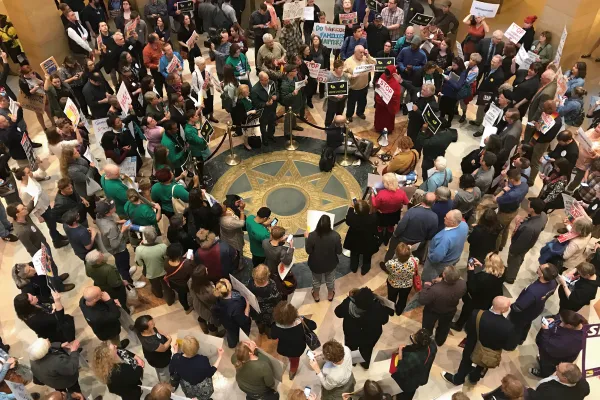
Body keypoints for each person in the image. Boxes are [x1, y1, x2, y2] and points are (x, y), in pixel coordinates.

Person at [442, 296, 518, 385]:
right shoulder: (508, 327)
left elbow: (467, 329)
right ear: (504, 310)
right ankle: (474, 378)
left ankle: (458, 379)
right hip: (489, 352)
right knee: (482, 365)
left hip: (472, 345)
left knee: (466, 361)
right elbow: (510, 346)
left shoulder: (476, 314)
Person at [6, 203, 67, 292]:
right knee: (50, 270)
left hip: (43, 245)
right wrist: (44, 257)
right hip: (40, 252)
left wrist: (33, 199)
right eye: (23, 209)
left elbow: (29, 207)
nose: (25, 209)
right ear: (17, 214)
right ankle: (59, 287)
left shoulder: (24, 216)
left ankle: (57, 279)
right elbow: (30, 248)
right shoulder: (21, 231)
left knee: (53, 267)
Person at [13, 167, 69, 248]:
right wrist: (38, 216)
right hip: (42, 210)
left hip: (45, 204)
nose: (31, 173)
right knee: (52, 225)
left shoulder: (30, 179)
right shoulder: (24, 192)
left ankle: (58, 236)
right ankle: (56, 241)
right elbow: (29, 206)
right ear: (23, 177)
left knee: (52, 222)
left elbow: (41, 174)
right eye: (28, 172)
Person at [335, 287, 389, 368]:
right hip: (371, 334)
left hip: (352, 333)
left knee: (352, 348)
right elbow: (385, 320)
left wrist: (349, 298)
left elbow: (338, 313)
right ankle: (365, 364)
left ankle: (354, 362)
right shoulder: (378, 306)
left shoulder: (348, 304)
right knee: (367, 349)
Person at [452, 253, 505, 331]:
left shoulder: (482, 277)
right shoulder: (502, 275)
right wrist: (482, 266)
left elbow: (471, 287)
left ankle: (458, 325)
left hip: (474, 300)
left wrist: (470, 272)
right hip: (488, 301)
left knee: (466, 311)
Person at [383, 192, 438, 265]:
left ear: (422, 199)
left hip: (402, 239)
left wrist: (395, 235)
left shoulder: (412, 211)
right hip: (417, 242)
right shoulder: (434, 217)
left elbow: (401, 225)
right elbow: (431, 234)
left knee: (392, 251)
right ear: (433, 203)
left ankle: (387, 265)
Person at [509, 263, 559, 344]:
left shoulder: (533, 291)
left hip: (523, 313)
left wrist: (511, 306)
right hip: (536, 309)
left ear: (542, 274)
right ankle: (522, 339)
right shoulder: (553, 283)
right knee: (527, 324)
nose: (538, 267)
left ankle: (513, 341)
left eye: (540, 267)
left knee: (517, 326)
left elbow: (518, 307)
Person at [419, 266, 466, 346]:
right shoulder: (462, 284)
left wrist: (426, 287)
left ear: (444, 275)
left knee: (427, 326)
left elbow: (422, 300)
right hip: (450, 310)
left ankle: (425, 340)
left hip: (432, 311)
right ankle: (440, 341)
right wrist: (441, 281)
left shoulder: (435, 289)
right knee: (444, 327)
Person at [270, 302, 316, 380]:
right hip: (297, 349)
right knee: (294, 361)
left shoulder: (276, 327)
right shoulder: (301, 322)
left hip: (283, 348)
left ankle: (292, 368)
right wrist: (302, 319)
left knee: (290, 358)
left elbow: (273, 336)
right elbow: (314, 325)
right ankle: (292, 372)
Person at [533, 310, 585, 378]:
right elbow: (562, 317)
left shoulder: (570, 342)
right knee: (544, 361)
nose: (560, 323)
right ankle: (542, 361)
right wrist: (554, 319)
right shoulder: (577, 319)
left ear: (569, 326)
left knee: (548, 367)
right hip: (551, 351)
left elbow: (547, 347)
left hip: (554, 357)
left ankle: (543, 374)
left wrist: (545, 331)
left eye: (561, 322)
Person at [422, 210, 468, 283]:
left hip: (438, 265)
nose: (444, 218)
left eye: (446, 218)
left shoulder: (445, 239)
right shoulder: (464, 225)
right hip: (453, 258)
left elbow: (436, 258)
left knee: (428, 280)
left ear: (453, 223)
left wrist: (430, 256)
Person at [391, 328, 438, 400]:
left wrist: (400, 352)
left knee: (404, 394)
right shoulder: (432, 346)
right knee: (411, 392)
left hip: (409, 382)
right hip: (420, 377)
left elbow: (401, 369)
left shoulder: (412, 357)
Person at [305, 214, 343, 302]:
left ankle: (316, 296)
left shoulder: (311, 236)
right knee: (330, 280)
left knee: (316, 280)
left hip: (316, 264)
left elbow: (308, 251)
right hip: (330, 263)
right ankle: (330, 295)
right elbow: (339, 252)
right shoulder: (336, 236)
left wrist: (306, 239)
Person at [84, 250, 128, 315]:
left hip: (99, 286)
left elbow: (88, 274)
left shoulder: (88, 264)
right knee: (121, 300)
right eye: (100, 254)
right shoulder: (108, 269)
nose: (102, 254)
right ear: (98, 261)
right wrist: (122, 282)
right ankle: (125, 312)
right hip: (112, 289)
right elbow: (115, 283)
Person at [495, 168, 529, 251]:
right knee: (506, 228)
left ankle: (495, 249)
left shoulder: (512, 195)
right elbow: (511, 187)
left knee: (498, 231)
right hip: (514, 210)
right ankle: (502, 245)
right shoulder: (525, 185)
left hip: (504, 214)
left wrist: (503, 190)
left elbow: (495, 199)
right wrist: (507, 184)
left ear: (512, 179)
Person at [371, 173, 409, 245]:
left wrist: (373, 196)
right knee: (391, 224)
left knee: (381, 224)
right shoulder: (401, 192)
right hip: (395, 213)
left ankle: (380, 229)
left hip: (382, 214)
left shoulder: (381, 193)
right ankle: (390, 230)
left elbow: (375, 205)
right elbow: (406, 202)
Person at [212, 278, 251, 348]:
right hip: (235, 325)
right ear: (229, 289)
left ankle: (231, 345)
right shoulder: (236, 306)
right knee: (238, 335)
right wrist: (247, 304)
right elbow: (244, 320)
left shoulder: (218, 297)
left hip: (226, 323)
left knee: (230, 335)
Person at [344, 200, 379, 275]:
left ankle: (354, 268)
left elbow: (348, 219)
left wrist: (351, 207)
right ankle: (365, 269)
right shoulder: (373, 218)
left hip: (354, 240)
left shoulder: (352, 218)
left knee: (354, 254)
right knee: (367, 256)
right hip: (368, 240)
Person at [133, 315, 171, 383]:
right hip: (160, 360)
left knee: (163, 370)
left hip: (159, 355)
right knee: (163, 373)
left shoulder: (144, 331)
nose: (154, 324)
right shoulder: (150, 342)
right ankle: (166, 384)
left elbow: (157, 331)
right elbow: (164, 348)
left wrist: (164, 335)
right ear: (145, 329)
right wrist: (170, 340)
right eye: (152, 324)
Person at [344, 45, 376, 122]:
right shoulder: (348, 61)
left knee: (363, 101)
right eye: (360, 52)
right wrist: (351, 76)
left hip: (364, 86)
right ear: (355, 52)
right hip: (354, 87)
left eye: (363, 52)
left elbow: (374, 63)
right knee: (351, 103)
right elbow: (344, 73)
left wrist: (368, 55)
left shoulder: (365, 58)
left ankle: (360, 112)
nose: (362, 54)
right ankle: (349, 115)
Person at [247, 264, 281, 337]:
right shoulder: (272, 286)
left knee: (259, 322)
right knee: (269, 324)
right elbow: (277, 299)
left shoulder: (250, 283)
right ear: (267, 276)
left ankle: (261, 331)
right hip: (268, 311)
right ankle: (268, 334)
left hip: (256, 309)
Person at [385, 242, 418, 315]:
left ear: (396, 254)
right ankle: (399, 311)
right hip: (407, 285)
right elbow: (413, 258)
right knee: (403, 299)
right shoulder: (414, 261)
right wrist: (409, 251)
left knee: (391, 298)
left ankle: (390, 311)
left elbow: (387, 268)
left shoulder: (391, 264)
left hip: (393, 284)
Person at [567, 124, 600, 192]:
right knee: (568, 170)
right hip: (577, 155)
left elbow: (598, 156)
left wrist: (595, 154)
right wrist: (577, 134)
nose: (597, 129)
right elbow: (582, 138)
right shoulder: (591, 130)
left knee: (578, 178)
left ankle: (569, 189)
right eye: (598, 127)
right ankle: (564, 182)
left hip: (585, 163)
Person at [164, 243, 194, 313]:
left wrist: (183, 258)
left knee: (181, 296)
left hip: (173, 283)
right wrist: (191, 261)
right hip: (183, 285)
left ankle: (186, 307)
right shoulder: (186, 265)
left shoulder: (166, 261)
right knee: (183, 295)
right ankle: (187, 309)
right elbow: (192, 272)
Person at [251, 71, 278, 145]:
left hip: (272, 108)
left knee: (272, 123)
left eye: (268, 79)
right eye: (265, 80)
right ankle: (265, 139)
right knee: (263, 126)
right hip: (263, 111)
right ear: (260, 80)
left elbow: (276, 91)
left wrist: (276, 96)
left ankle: (271, 135)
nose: (268, 81)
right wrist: (265, 104)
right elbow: (256, 103)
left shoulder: (272, 82)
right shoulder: (255, 90)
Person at [374, 65, 402, 134]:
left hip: (389, 105)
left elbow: (397, 94)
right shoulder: (383, 75)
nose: (386, 76)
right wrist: (377, 84)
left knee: (388, 119)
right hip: (381, 103)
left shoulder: (395, 82)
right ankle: (378, 128)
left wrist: (390, 97)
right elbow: (378, 81)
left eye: (388, 74)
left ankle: (388, 130)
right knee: (379, 117)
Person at [439, 57, 466, 123]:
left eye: (454, 65)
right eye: (452, 64)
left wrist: (449, 80)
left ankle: (448, 123)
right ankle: (441, 120)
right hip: (445, 91)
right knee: (442, 108)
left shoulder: (463, 73)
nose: (452, 66)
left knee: (450, 110)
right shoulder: (452, 69)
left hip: (452, 94)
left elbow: (458, 86)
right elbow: (444, 74)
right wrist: (448, 70)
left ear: (459, 65)